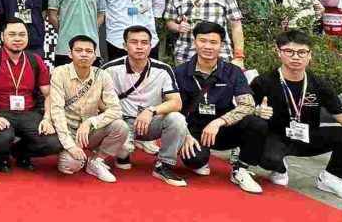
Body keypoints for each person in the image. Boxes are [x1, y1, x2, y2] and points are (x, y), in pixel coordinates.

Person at [251, 29, 342, 201]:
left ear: (309, 55)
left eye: (302, 52)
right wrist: (256, 111)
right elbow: (243, 112)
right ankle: (279, 167)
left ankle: (331, 178)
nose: (296, 57)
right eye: (289, 51)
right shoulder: (263, 82)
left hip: (307, 136)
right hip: (275, 137)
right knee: (267, 157)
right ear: (279, 53)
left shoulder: (319, 84)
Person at [173, 21, 266, 194]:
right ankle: (200, 156)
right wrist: (184, 135)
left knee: (257, 124)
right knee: (195, 161)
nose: (208, 46)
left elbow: (247, 104)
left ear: (221, 45)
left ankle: (240, 169)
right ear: (195, 42)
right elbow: (173, 108)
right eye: (203, 41)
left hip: (224, 128)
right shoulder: (179, 72)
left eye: (213, 42)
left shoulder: (233, 72)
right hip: (194, 130)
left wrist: (219, 122)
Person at [102, 25, 188, 186]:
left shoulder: (163, 69)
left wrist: (151, 110)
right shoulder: (110, 69)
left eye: (144, 42)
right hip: (122, 122)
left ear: (151, 45)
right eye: (134, 42)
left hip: (151, 121)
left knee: (177, 119)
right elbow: (100, 102)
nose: (139, 47)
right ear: (124, 46)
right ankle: (123, 155)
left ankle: (164, 164)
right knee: (122, 146)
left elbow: (176, 102)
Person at [0, 17, 63, 173]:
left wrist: (47, 119)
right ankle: (1, 157)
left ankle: (20, 153)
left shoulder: (35, 60)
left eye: (22, 34)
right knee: (2, 139)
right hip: (0, 112)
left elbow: (48, 94)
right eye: (12, 34)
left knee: (54, 143)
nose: (17, 39)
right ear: (2, 36)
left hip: (28, 112)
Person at [47, 35, 128, 183]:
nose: (84, 54)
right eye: (79, 50)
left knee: (120, 126)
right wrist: (70, 145)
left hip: (90, 130)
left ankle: (97, 161)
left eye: (89, 51)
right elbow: (56, 111)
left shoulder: (102, 75)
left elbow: (116, 110)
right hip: (68, 129)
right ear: (70, 54)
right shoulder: (60, 73)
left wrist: (91, 122)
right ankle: (70, 153)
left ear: (94, 56)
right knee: (70, 165)